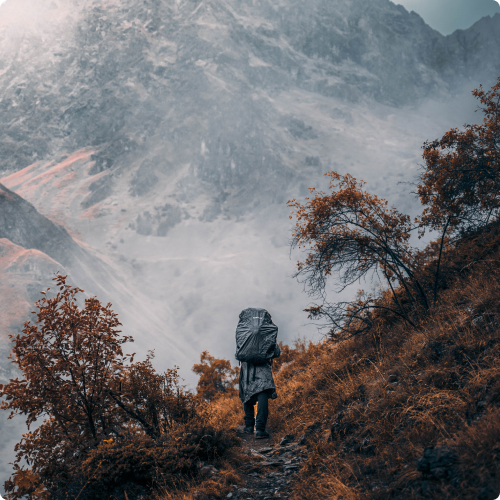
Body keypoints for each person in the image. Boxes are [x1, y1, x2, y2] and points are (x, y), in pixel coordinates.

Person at [239, 342, 280, 439]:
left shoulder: (244, 334)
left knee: (247, 394)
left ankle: (249, 426)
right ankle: (260, 430)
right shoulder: (267, 333)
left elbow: (239, 354)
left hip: (247, 370)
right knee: (262, 393)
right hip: (262, 370)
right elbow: (276, 352)